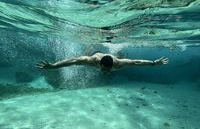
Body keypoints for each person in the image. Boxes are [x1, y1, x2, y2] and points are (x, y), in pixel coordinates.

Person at [36, 52, 169, 74]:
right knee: (83, 56)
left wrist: (153, 63)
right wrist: (53, 66)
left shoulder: (119, 63)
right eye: (104, 70)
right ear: (99, 65)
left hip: (113, 57)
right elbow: (72, 61)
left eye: (108, 70)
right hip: (96, 52)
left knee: (122, 57)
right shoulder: (90, 61)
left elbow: (136, 62)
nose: (106, 72)